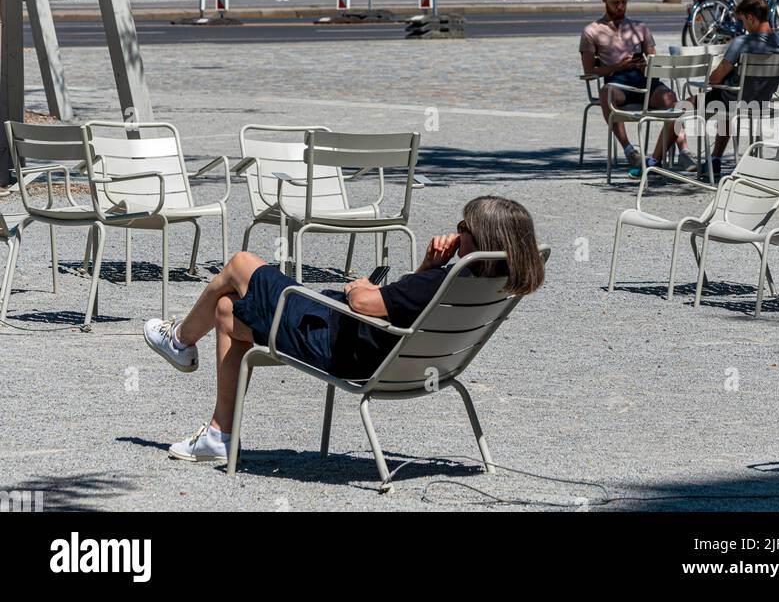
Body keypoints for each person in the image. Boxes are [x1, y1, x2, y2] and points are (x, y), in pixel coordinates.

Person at [142, 195, 546, 465]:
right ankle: (219, 433)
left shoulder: (438, 283)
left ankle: (179, 341)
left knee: (240, 263)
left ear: (480, 239)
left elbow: (365, 305)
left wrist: (361, 287)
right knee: (228, 312)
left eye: (463, 227)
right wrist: (428, 265)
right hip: (383, 354)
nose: (456, 232)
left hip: (336, 341)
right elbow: (409, 307)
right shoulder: (472, 282)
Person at [579, 0, 696, 176]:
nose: (620, 7)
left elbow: (655, 61)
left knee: (672, 101)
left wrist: (647, 65)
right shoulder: (591, 31)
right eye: (615, 3)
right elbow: (590, 71)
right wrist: (618, 66)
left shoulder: (639, 27)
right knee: (606, 93)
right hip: (618, 83)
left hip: (644, 80)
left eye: (624, 2)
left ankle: (683, 151)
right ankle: (629, 150)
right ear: (604, 0)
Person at [700, 0, 779, 182]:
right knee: (725, 100)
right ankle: (715, 158)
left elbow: (715, 78)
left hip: (735, 102)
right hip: (763, 101)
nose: (743, 26)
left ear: (750, 17)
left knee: (684, 107)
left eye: (743, 21)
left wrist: (713, 78)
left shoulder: (742, 42)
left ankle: (655, 161)